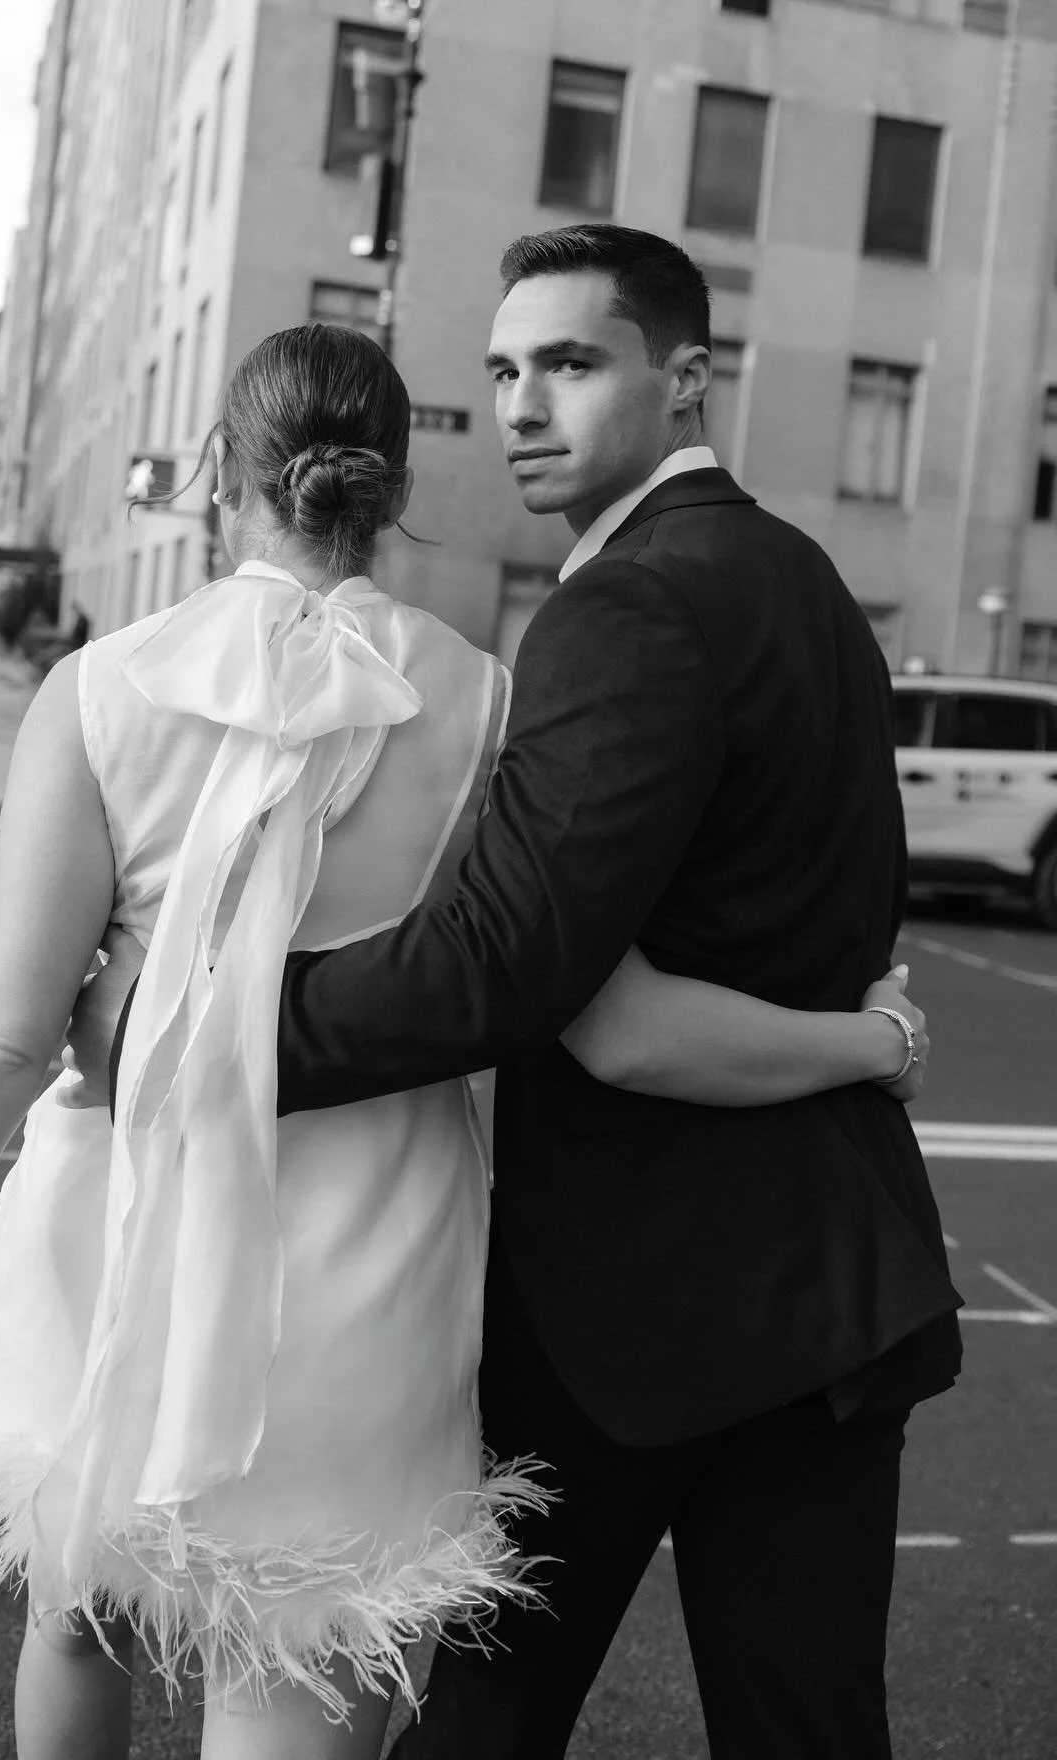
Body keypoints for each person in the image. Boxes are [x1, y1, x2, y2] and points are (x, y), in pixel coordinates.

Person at [0, 320, 932, 1760]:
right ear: (393, 492)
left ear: (218, 485)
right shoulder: (486, 703)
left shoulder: (101, 693)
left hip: (118, 1231)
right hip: (362, 1273)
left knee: (78, 1617)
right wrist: (864, 1039)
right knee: (294, 1679)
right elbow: (612, 1028)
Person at [259, 228, 964, 1757]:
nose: (522, 403)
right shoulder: (807, 585)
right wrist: (868, 1038)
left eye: (571, 363)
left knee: (480, 1732)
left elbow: (505, 965)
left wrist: (215, 1034)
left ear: (686, 379)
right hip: (830, 1292)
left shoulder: (631, 606)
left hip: (629, 1316)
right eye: (505, 368)